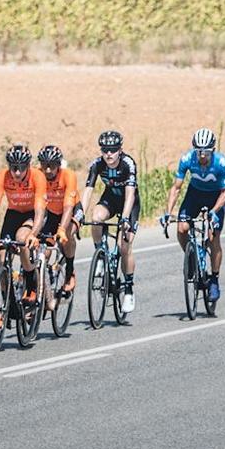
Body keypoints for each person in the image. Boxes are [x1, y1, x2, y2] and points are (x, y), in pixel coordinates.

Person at [168, 130, 225, 305]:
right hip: (194, 194)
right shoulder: (187, 159)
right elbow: (176, 188)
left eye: (206, 152)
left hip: (216, 197)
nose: (202, 155)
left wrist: (214, 211)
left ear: (213, 150)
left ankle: (214, 279)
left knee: (213, 237)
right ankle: (192, 257)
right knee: (181, 228)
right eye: (199, 151)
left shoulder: (221, 163)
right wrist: (168, 212)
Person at [83, 130, 141, 315]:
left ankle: (129, 290)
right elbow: (88, 191)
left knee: (124, 246)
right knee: (95, 218)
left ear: (120, 150)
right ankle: (100, 255)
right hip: (110, 198)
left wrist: (124, 218)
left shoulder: (128, 164)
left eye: (113, 150)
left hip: (128, 204)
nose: (109, 153)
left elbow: (130, 194)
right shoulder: (97, 164)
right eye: (105, 149)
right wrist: (79, 214)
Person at [0, 143, 43, 302]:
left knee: (22, 238)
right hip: (13, 214)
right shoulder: (3, 176)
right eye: (14, 167)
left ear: (28, 165)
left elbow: (40, 210)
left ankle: (31, 285)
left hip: (32, 213)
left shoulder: (37, 176)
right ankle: (8, 305)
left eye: (21, 167)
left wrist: (33, 234)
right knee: (3, 261)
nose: (17, 172)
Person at [30, 145, 81, 295]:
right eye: (44, 165)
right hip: (52, 212)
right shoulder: (37, 175)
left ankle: (70, 271)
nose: (47, 170)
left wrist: (62, 230)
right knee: (43, 251)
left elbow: (68, 208)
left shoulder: (68, 176)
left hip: (72, 210)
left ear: (59, 164)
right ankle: (43, 282)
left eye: (51, 166)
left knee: (68, 236)